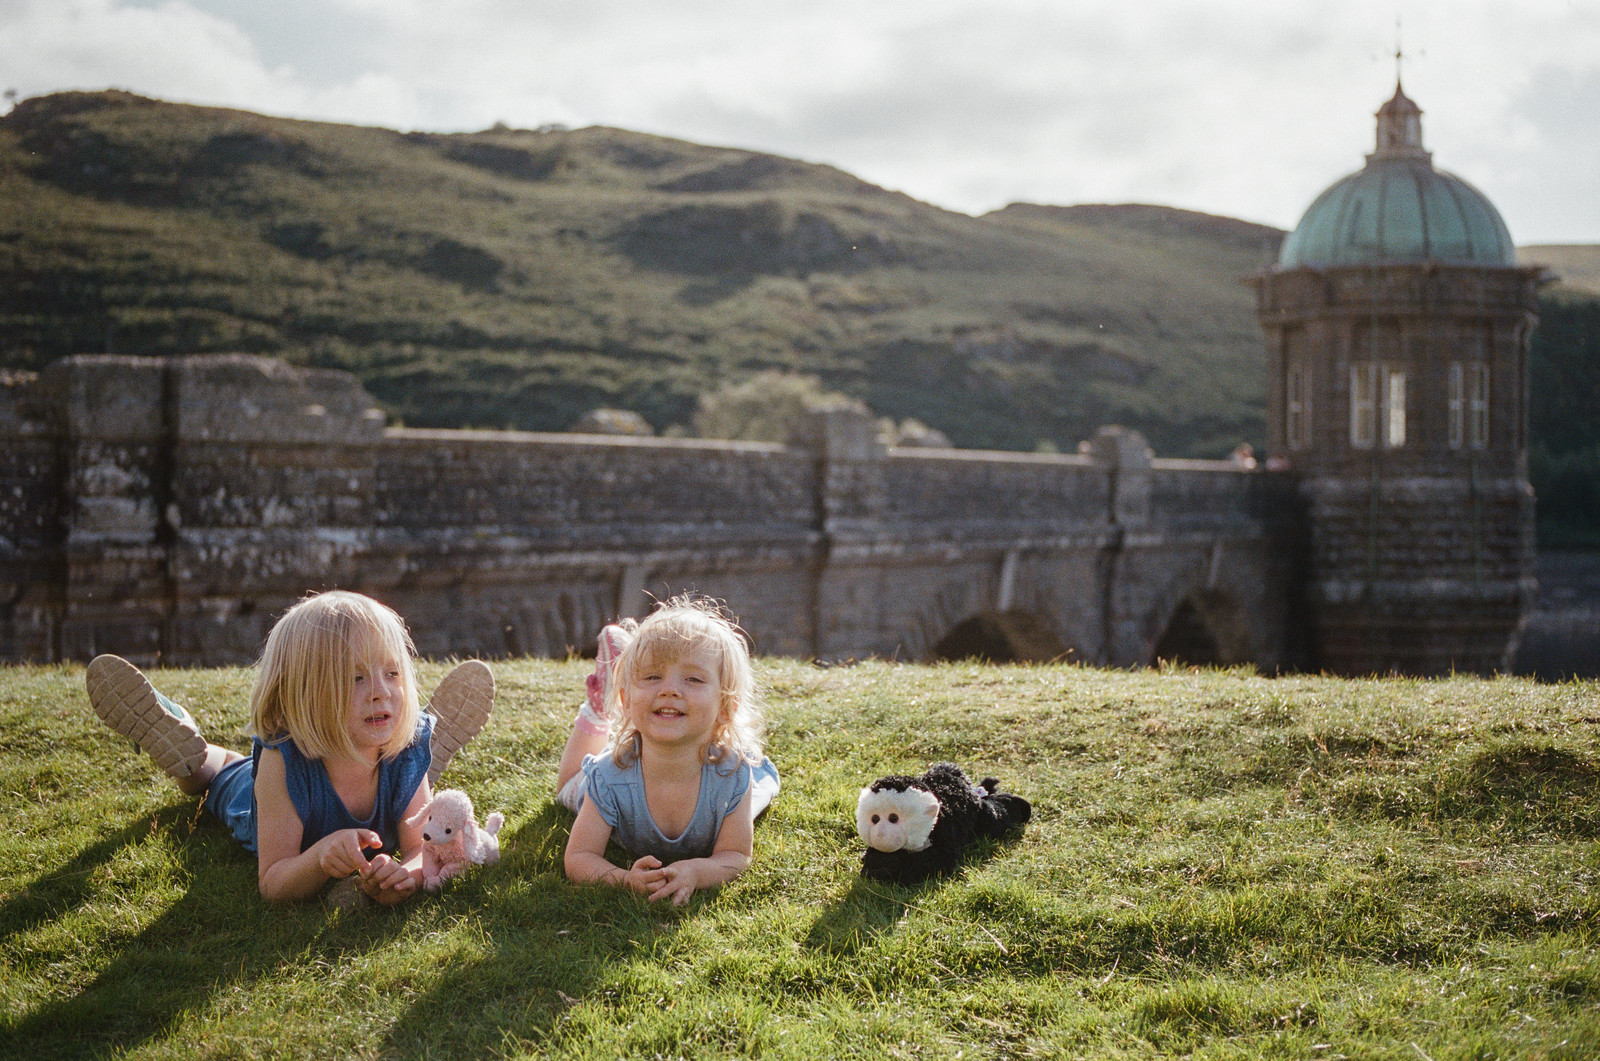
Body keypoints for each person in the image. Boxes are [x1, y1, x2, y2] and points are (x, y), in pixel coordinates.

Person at [85, 590, 494, 905]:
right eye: (356, 679)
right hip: (262, 797)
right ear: (304, 694)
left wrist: (405, 876)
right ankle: (186, 738)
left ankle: (417, 781)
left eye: (391, 674)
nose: (381, 693)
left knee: (411, 762)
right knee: (211, 775)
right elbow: (273, 881)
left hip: (395, 759)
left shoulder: (404, 752)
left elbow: (419, 851)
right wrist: (318, 859)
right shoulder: (284, 759)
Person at [557, 596, 779, 906]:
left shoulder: (733, 776)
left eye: (692, 678)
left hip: (716, 761)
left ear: (726, 707)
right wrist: (625, 880)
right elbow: (579, 857)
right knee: (569, 785)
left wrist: (697, 872)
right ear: (627, 700)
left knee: (759, 790)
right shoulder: (608, 778)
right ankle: (598, 709)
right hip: (623, 763)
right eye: (652, 676)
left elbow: (735, 856)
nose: (669, 689)